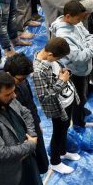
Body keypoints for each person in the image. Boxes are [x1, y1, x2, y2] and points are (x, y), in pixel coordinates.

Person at [32, 37, 81, 175]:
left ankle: (62, 151)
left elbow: (57, 72)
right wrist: (61, 81)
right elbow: (45, 97)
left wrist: (64, 73)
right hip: (58, 106)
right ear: (50, 54)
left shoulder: (50, 59)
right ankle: (55, 162)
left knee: (65, 128)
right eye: (59, 57)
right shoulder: (38, 71)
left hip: (67, 100)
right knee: (58, 132)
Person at [50, 0, 93, 130]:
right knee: (78, 98)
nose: (80, 21)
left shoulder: (75, 22)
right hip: (74, 71)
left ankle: (80, 114)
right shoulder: (63, 36)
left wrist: (90, 44)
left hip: (83, 68)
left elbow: (88, 35)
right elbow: (78, 58)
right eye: (78, 19)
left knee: (82, 95)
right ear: (68, 16)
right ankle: (79, 122)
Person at [3, 54, 49, 175]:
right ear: (8, 74)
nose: (23, 81)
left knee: (42, 161)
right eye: (21, 79)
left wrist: (37, 122)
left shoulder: (22, 81)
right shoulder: (2, 92)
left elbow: (30, 104)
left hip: (31, 126)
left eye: (25, 78)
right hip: (18, 135)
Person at [0, 71, 41, 185]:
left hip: (28, 161)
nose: (14, 96)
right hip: (10, 172)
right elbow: (1, 152)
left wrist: (31, 135)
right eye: (8, 94)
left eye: (13, 91)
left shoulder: (10, 99)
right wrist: (30, 145)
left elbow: (26, 112)